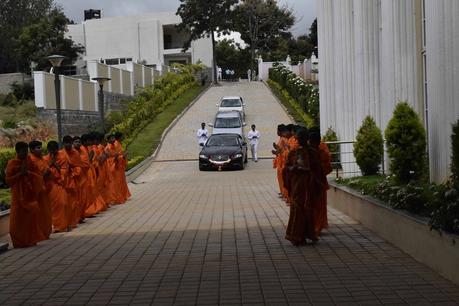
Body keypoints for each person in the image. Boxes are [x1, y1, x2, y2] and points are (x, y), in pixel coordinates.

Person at [284, 128, 327, 245]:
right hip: (297, 186)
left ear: (306, 139)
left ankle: (308, 234)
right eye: (299, 138)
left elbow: (318, 170)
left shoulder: (313, 153)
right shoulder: (293, 152)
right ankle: (296, 236)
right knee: (297, 209)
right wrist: (292, 169)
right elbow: (286, 168)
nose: (300, 140)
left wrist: (307, 171)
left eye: (303, 138)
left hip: (309, 185)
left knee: (308, 210)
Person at [6, 142, 45, 247]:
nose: (25, 154)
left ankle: (31, 239)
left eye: (26, 151)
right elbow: (8, 180)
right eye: (23, 151)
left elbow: (37, 174)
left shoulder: (29, 161)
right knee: (17, 219)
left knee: (31, 216)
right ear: (17, 151)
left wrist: (28, 174)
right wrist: (20, 174)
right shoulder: (12, 163)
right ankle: (19, 241)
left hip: (29, 193)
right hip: (18, 194)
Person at [309, 127, 333, 235]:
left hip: (319, 182)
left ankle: (319, 226)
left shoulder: (322, 151)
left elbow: (328, 167)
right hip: (310, 182)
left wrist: (319, 170)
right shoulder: (308, 151)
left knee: (320, 205)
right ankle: (314, 226)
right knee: (313, 206)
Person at [44, 141, 71, 232]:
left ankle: (63, 224)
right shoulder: (45, 158)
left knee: (63, 203)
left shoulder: (62, 157)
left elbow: (64, 171)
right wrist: (49, 165)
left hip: (59, 184)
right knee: (52, 206)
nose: (52, 153)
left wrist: (54, 164)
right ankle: (55, 225)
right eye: (51, 151)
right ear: (48, 150)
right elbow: (43, 172)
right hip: (49, 185)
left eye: (54, 151)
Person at [28, 140, 52, 239]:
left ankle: (45, 232)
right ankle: (38, 233)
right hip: (36, 191)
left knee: (45, 212)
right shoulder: (31, 160)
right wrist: (43, 176)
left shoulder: (42, 159)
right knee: (38, 213)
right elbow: (31, 177)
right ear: (32, 150)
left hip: (44, 189)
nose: (40, 149)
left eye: (40, 147)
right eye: (38, 148)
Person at [62, 135, 83, 228]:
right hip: (62, 181)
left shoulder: (75, 153)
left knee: (74, 202)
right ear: (63, 144)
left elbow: (78, 167)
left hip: (73, 180)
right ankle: (65, 221)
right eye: (66, 143)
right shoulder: (61, 153)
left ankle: (74, 220)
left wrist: (72, 171)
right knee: (64, 202)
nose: (68, 145)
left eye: (69, 143)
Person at [113, 132, 131, 204]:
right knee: (118, 182)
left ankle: (123, 196)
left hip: (120, 166)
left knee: (122, 181)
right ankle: (119, 198)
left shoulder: (119, 144)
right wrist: (123, 156)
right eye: (122, 136)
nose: (123, 138)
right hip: (117, 167)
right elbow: (115, 157)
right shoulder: (116, 144)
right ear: (119, 137)